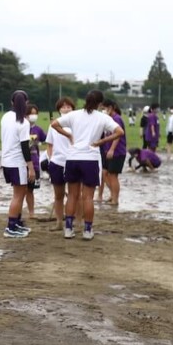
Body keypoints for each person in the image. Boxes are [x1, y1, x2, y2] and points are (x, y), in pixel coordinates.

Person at [51, 90, 124, 240]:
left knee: (72, 195)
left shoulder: (74, 114)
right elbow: (119, 131)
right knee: (88, 197)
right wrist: (101, 141)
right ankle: (87, 230)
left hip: (72, 158)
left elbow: (54, 124)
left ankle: (69, 228)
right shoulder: (102, 117)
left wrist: (69, 135)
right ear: (100, 104)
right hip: (90, 158)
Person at [0, 90, 34, 238]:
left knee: (20, 192)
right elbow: (25, 147)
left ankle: (17, 222)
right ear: (26, 103)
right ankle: (11, 226)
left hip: (6, 161)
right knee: (18, 195)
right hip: (17, 162)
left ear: (12, 102)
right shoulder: (23, 122)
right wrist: (31, 167)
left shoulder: (5, 116)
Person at [45, 97, 75, 231]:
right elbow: (49, 145)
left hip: (73, 162)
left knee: (75, 195)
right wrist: (51, 159)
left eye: (68, 106)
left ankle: (76, 221)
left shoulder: (77, 124)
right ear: (59, 109)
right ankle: (59, 222)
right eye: (63, 107)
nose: (66, 109)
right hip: (57, 163)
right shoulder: (53, 125)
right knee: (58, 195)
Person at [101, 100, 127, 206]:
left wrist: (112, 149)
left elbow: (118, 135)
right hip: (107, 151)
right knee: (104, 173)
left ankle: (115, 199)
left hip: (117, 152)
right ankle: (112, 194)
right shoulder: (108, 119)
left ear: (111, 108)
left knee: (113, 175)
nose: (103, 110)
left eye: (105, 108)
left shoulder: (117, 119)